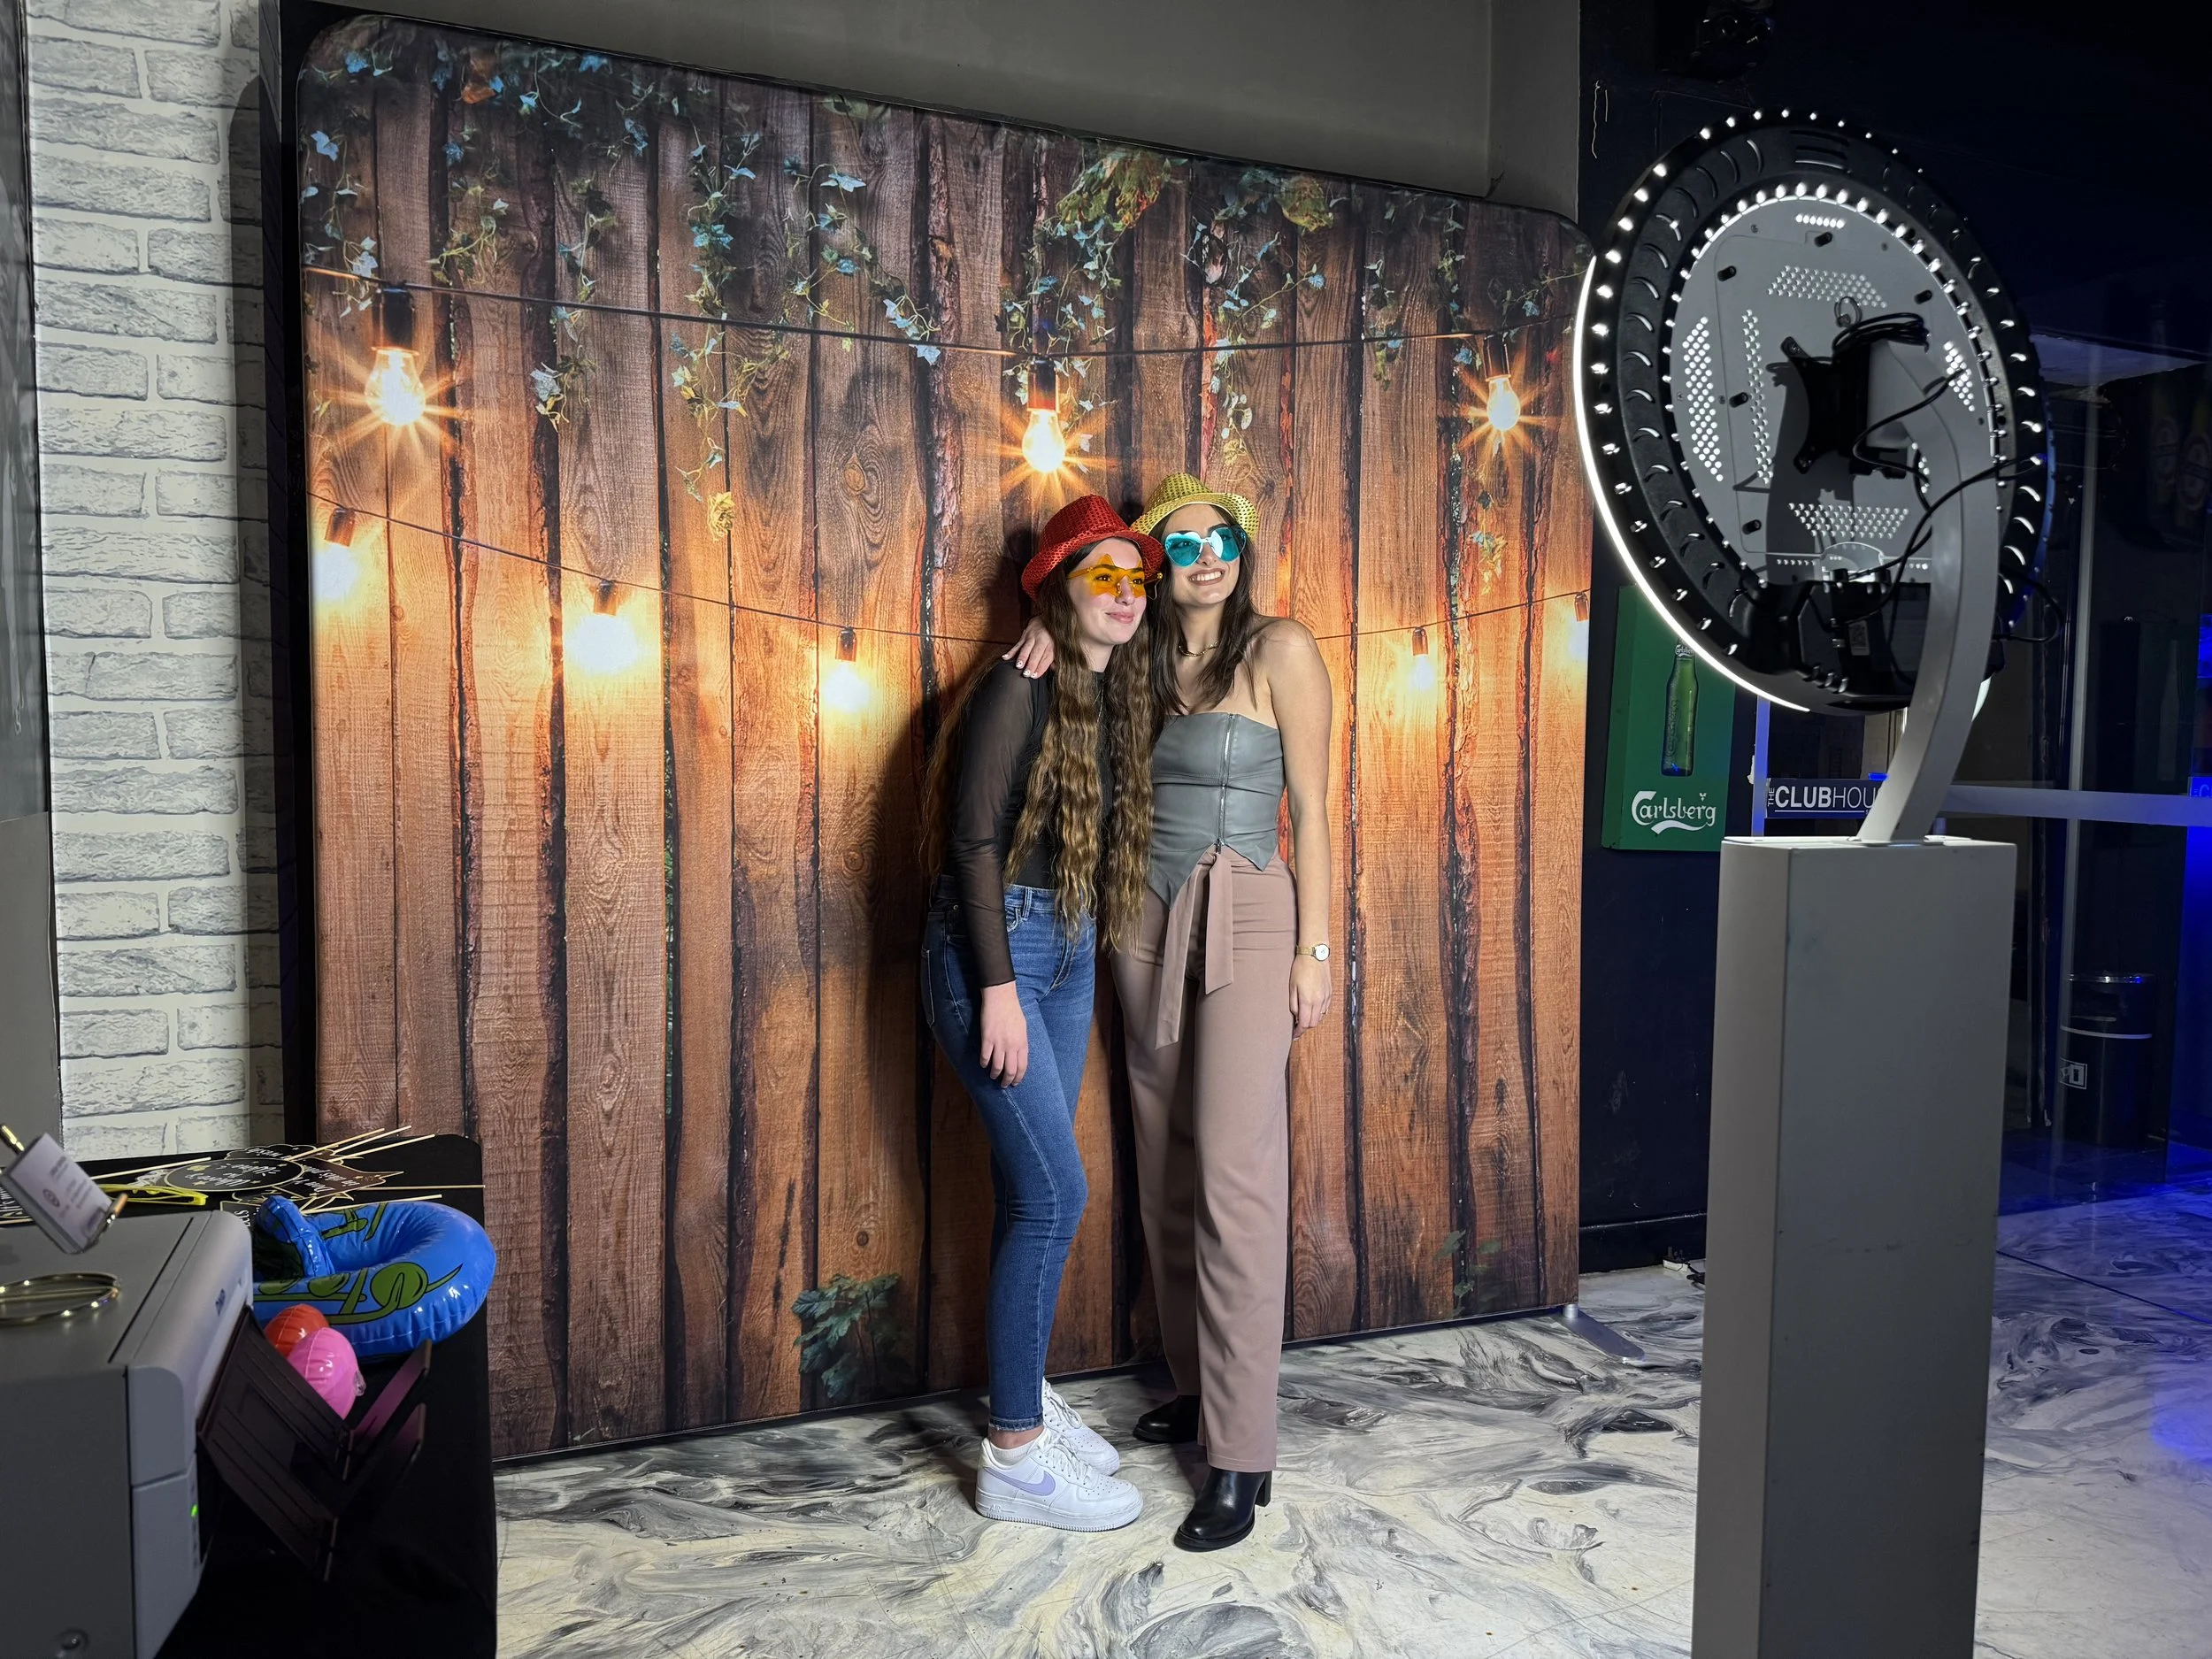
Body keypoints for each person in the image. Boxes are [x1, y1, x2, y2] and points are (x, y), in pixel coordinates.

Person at [1006, 472, 1335, 1551]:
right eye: (1183, 546)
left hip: (1245, 911)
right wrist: (1051, 647)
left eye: (1222, 539)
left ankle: (1240, 1453)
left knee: (1237, 1178)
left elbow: (1317, 814)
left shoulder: (1279, 649)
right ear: (1157, 563)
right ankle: (1199, 1389)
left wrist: (1312, 946)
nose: (1207, 559)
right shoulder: (1140, 657)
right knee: (1164, 1166)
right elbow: (1076, 715)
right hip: (1142, 918)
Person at [919, 493, 1162, 1532]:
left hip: (1062, 949)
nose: (1122, 595)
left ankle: (1025, 1403)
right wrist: (997, 990)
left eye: (1133, 578)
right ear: (1057, 589)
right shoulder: (1014, 689)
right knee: (1057, 1197)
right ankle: (1013, 1459)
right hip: (999, 954)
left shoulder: (1110, 696)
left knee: (1039, 1196)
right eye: (1097, 575)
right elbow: (971, 844)